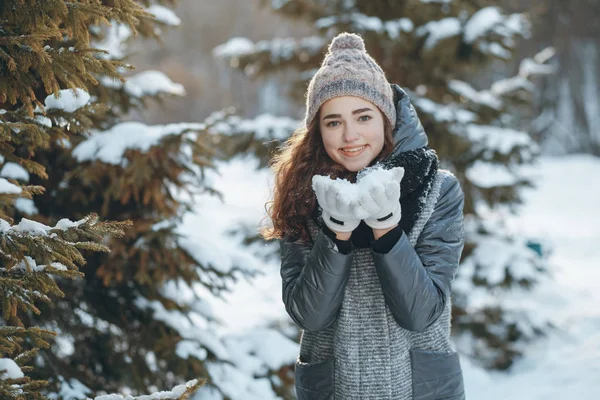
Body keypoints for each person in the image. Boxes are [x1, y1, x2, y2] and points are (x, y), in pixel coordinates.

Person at [262, 32, 466, 400]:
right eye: (333, 122)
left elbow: (421, 314)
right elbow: (309, 315)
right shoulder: (302, 193)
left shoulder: (438, 190)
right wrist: (335, 233)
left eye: (363, 116)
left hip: (419, 387)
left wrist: (387, 228)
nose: (349, 135)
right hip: (335, 386)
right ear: (318, 130)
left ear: (386, 118)